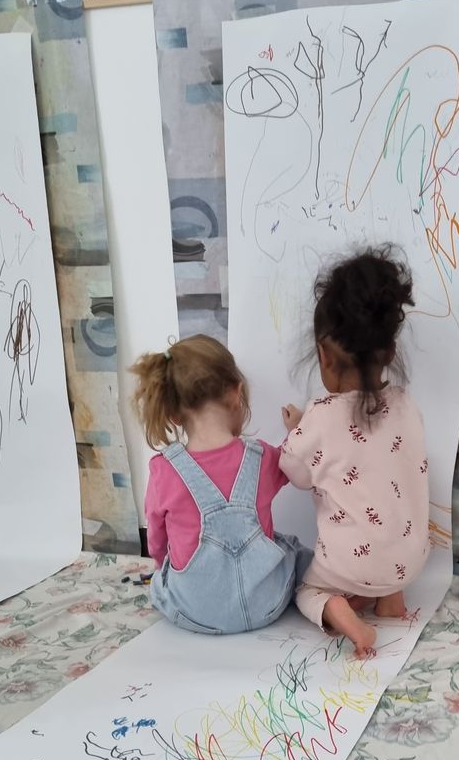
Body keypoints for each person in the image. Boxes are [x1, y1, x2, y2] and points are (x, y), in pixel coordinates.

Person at [279, 248, 430, 656]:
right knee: (387, 519)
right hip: (410, 562)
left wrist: (297, 429)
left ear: (324, 356)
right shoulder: (406, 405)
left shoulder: (320, 416)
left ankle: (342, 614)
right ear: (390, 352)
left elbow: (294, 469)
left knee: (305, 589)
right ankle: (391, 598)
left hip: (350, 566)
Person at [131, 334, 306, 635]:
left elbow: (157, 542)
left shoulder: (163, 470)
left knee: (163, 579)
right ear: (236, 393)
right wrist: (297, 432)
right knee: (293, 550)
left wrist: (162, 566)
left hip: (193, 612)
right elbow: (295, 463)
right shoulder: (262, 458)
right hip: (267, 605)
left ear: (173, 414)